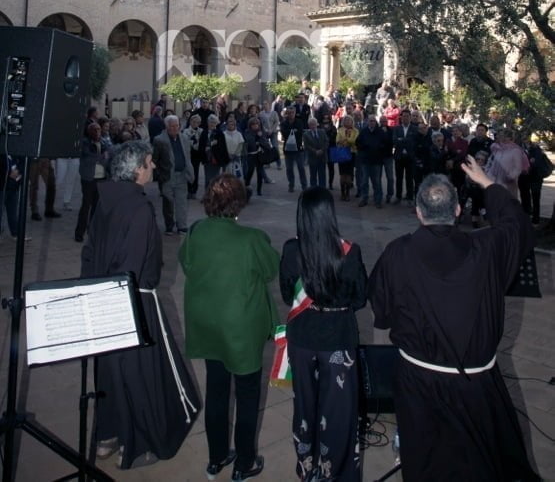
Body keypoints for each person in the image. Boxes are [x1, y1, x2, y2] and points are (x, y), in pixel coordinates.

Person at [367, 160, 538, 482]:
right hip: (474, 384)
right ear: (458, 210)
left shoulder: (397, 252)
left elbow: (382, 312)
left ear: (419, 213)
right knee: (478, 463)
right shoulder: (488, 247)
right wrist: (488, 184)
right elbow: (516, 223)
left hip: (418, 380)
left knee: (426, 462)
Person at [81, 141, 200, 470]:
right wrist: (129, 299)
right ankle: (138, 442)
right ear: (136, 170)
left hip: (102, 294)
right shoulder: (139, 207)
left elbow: (89, 251)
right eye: (149, 162)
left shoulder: (105, 200)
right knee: (138, 373)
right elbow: (133, 262)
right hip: (132, 300)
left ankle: (107, 435)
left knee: (109, 369)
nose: (153, 167)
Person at [179, 175, 279, 481]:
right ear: (238, 203)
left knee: (217, 390)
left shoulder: (196, 232)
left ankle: (217, 457)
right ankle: (244, 463)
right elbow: (271, 269)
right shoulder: (251, 239)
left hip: (209, 325)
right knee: (247, 395)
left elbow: (186, 263)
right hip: (241, 329)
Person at [280, 187, 367, 481]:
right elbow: (360, 299)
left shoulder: (291, 250)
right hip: (338, 339)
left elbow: (286, 295)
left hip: (302, 338)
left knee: (304, 404)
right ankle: (335, 472)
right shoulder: (349, 252)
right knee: (339, 410)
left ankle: (307, 464)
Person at [152, 114, 194, 235]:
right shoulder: (159, 140)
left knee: (182, 202)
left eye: (177, 125)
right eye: (172, 126)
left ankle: (182, 226)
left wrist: (190, 172)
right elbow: (155, 159)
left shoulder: (184, 138)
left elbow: (187, 157)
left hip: (182, 175)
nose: (175, 128)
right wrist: (159, 175)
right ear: (167, 127)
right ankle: (169, 225)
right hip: (167, 176)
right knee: (168, 202)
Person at [335, 115, 358, 200]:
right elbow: (337, 141)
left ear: (352, 122)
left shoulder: (355, 131)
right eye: (346, 120)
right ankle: (342, 193)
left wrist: (345, 140)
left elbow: (354, 141)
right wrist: (347, 140)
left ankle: (347, 193)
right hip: (342, 153)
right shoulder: (340, 130)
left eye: (349, 120)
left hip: (351, 153)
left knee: (349, 174)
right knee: (342, 174)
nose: (347, 122)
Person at [303, 117, 329, 188]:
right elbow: (306, 146)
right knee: (313, 175)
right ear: (309, 126)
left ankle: (322, 189)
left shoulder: (322, 132)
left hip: (322, 157)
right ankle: (313, 189)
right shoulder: (306, 134)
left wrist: (322, 150)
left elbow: (326, 142)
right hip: (313, 158)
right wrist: (315, 151)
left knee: (322, 175)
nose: (313, 126)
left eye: (314, 124)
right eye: (311, 124)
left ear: (317, 124)